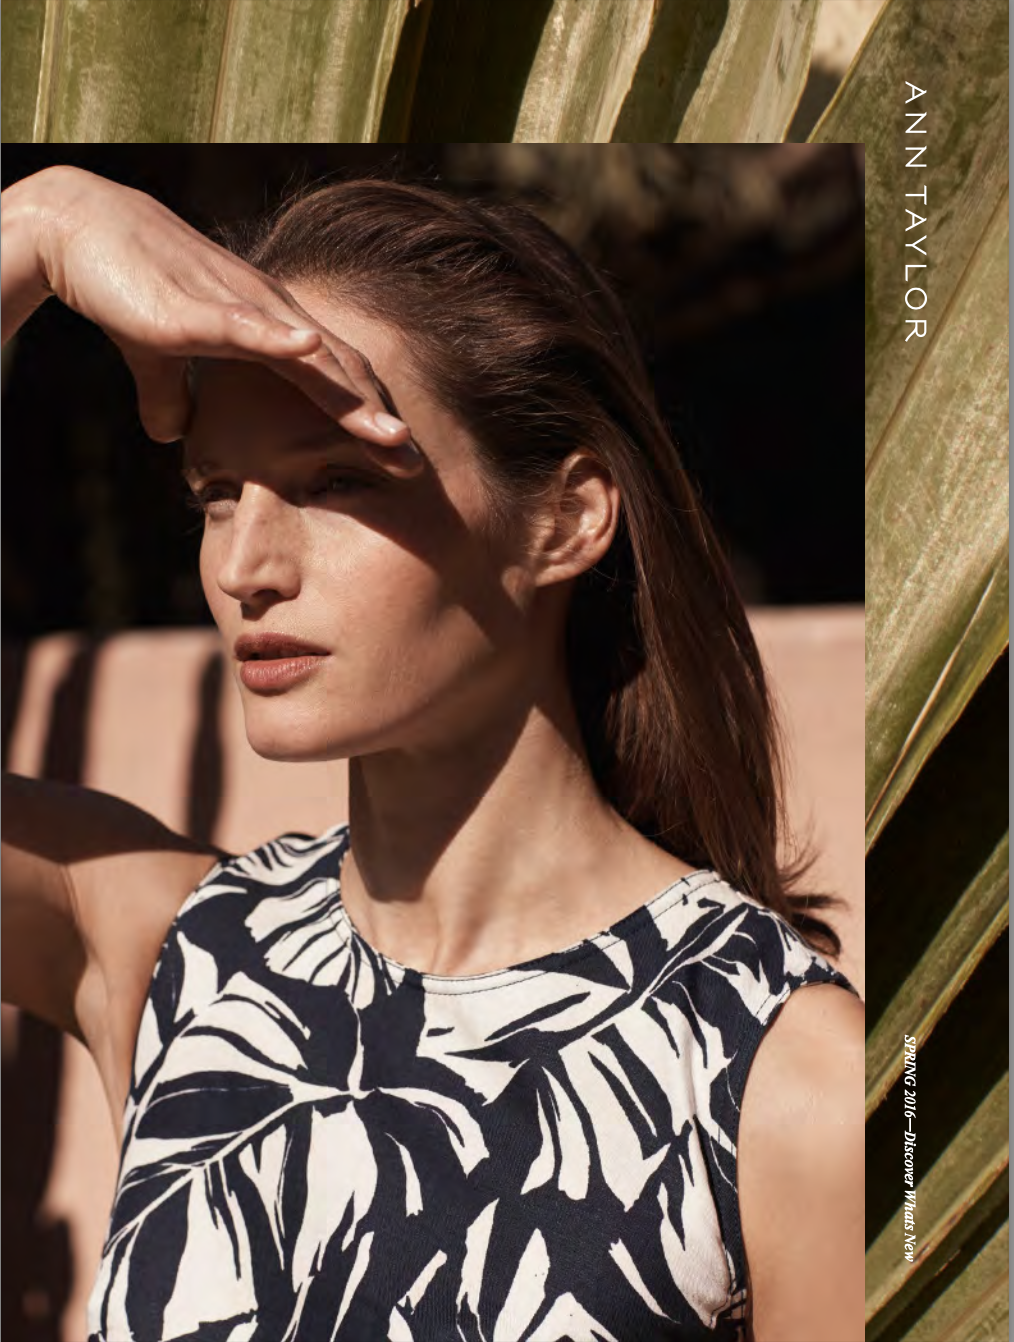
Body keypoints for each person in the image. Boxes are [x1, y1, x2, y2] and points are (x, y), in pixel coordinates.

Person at [1, 162, 864, 1342]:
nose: (247, 565)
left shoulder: (783, 1070)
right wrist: (38, 228)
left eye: (335, 480)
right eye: (216, 493)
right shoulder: (183, 957)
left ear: (566, 519)